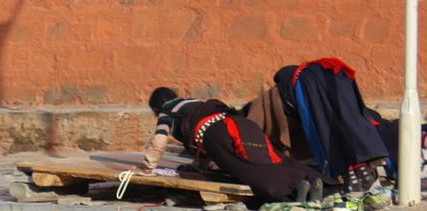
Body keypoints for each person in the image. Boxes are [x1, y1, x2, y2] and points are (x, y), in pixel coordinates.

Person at [145, 87, 324, 203]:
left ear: (156, 108)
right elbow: (202, 155)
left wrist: (149, 166)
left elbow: (159, 142)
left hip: (219, 134)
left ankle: (290, 193)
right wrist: (196, 166)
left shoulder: (167, 112)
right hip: (242, 124)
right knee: (273, 159)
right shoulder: (194, 104)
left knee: (247, 170)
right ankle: (310, 180)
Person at [272, 58, 390, 190]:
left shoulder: (303, 89)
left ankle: (351, 174)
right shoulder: (316, 78)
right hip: (339, 81)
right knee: (348, 122)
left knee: (329, 130)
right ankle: (362, 170)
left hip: (319, 88)